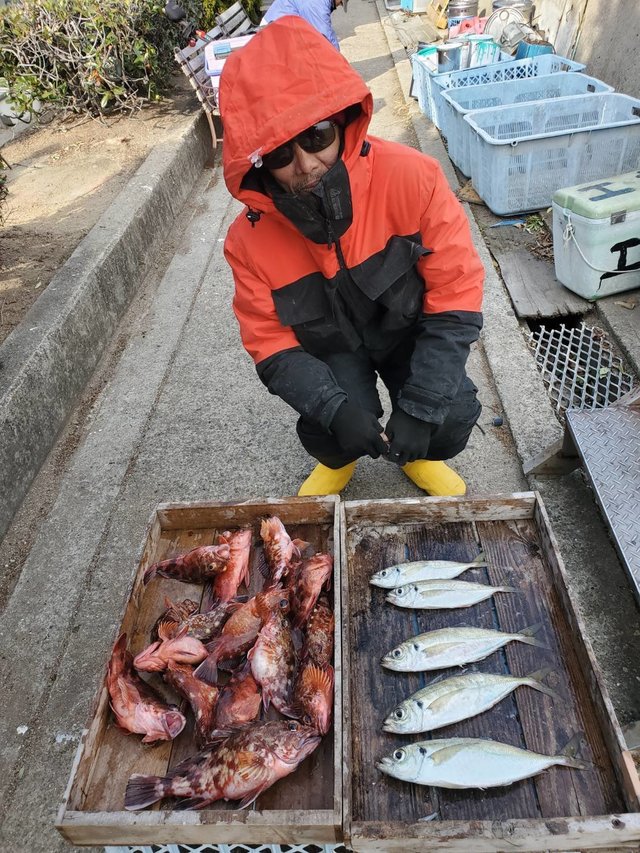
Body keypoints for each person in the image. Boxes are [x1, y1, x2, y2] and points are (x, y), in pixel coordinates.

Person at [220, 16, 484, 497]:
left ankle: (417, 455)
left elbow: (456, 294)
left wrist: (422, 404)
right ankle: (338, 462)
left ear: (342, 120)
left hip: (407, 331)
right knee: (326, 427)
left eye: (316, 135)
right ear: (258, 165)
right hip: (332, 348)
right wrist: (333, 409)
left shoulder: (416, 178)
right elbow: (270, 343)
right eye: (278, 156)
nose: (306, 165)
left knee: (450, 416)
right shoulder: (246, 242)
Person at [260, 0, 346, 51]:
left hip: (278, 30)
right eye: (341, 2)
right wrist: (340, 63)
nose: (338, 6)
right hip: (273, 35)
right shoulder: (317, 4)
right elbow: (325, 36)